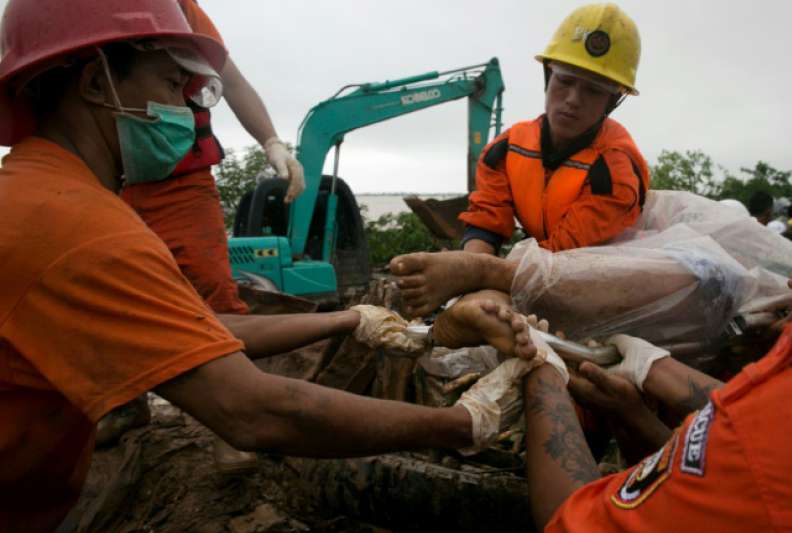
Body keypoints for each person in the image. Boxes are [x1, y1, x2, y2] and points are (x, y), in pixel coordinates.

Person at [0, 1, 524, 529]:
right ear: (95, 83)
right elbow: (252, 411)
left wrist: (351, 320)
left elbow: (200, 332)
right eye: (168, 84)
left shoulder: (41, 193)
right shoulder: (80, 229)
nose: (182, 111)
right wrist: (462, 422)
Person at [517, 11, 792, 530]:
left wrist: (542, 364)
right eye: (564, 82)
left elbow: (577, 519)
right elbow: (720, 473)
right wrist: (646, 389)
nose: (570, 100)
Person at [392, 3, 650, 317]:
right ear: (548, 76)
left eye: (592, 91)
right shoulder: (507, 149)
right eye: (565, 81)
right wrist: (467, 268)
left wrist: (472, 271)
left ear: (612, 101)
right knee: (477, 304)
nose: (572, 100)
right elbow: (487, 221)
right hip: (534, 269)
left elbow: (563, 260)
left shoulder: (615, 169)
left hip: (594, 281)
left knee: (485, 302)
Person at [121, 0, 303, 316]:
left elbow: (230, 80)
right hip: (93, 177)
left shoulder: (179, 8)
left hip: (180, 185)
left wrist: (272, 142)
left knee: (214, 300)